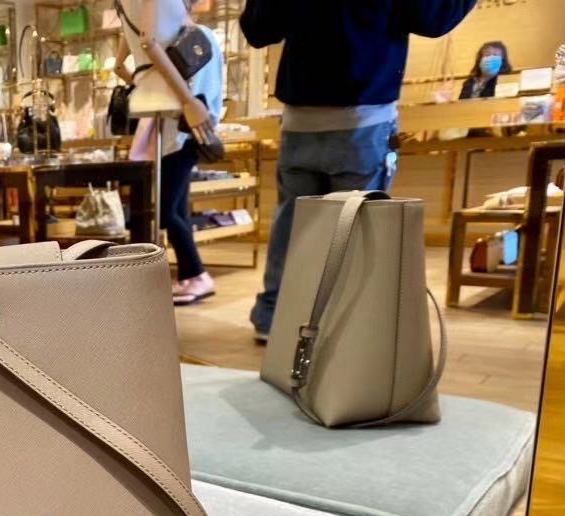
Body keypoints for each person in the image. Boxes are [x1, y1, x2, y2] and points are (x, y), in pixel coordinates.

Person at [242, 0, 476, 341]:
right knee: (356, 230)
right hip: (364, 116)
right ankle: (341, 329)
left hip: (299, 120)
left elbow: (259, 29)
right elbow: (433, 17)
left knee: (292, 227)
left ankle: (273, 316)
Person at [115, 0, 223, 306]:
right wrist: (185, 100)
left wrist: (150, 88)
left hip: (178, 130)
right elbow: (206, 89)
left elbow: (123, 63)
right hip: (181, 127)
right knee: (174, 209)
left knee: (166, 209)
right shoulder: (197, 36)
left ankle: (196, 274)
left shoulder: (190, 35)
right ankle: (190, 275)